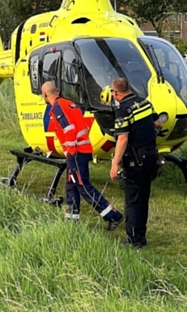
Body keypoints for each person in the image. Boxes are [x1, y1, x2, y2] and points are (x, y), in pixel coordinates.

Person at [41, 81, 124, 230]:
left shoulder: (57, 108)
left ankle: (113, 216)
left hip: (77, 153)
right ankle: (72, 221)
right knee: (71, 186)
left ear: (45, 95)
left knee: (82, 186)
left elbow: (69, 130)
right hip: (82, 150)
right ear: (58, 90)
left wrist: (70, 152)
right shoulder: (69, 104)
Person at [108, 77, 162, 248]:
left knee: (132, 199)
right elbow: (158, 123)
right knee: (143, 198)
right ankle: (141, 236)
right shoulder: (145, 103)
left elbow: (123, 138)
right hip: (151, 156)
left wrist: (115, 164)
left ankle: (133, 239)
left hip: (135, 160)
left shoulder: (123, 110)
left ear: (115, 93)